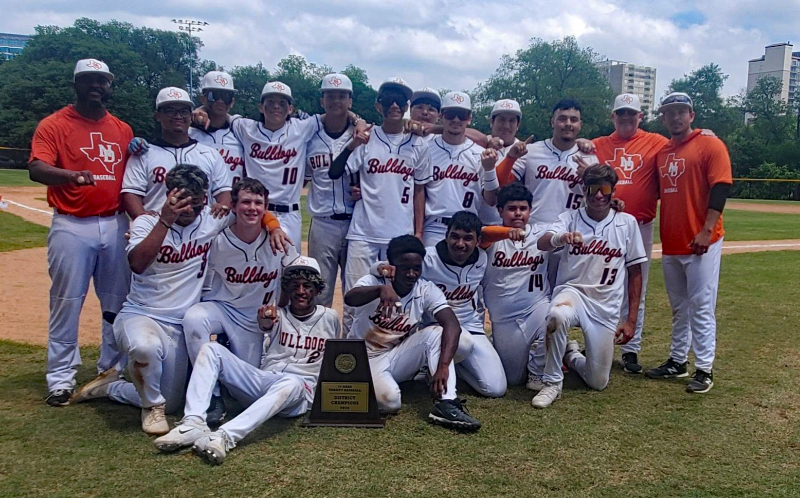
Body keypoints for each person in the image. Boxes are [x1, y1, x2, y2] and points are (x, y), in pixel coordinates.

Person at [71, 165, 231, 434]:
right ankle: (151, 406)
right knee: (145, 350)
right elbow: (137, 263)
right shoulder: (147, 222)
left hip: (180, 324)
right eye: (181, 200)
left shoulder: (212, 219)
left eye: (195, 201)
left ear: (204, 197)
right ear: (169, 195)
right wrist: (165, 222)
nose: (188, 208)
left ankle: (112, 387)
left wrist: (272, 226)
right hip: (140, 315)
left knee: (172, 404)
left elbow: (254, 212)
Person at [152, 255, 339, 465]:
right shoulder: (277, 314)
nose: (301, 291)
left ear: (317, 289)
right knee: (211, 349)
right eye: (294, 285)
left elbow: (335, 359)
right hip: (264, 381)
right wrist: (264, 321)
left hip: (298, 393)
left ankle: (224, 436)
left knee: (292, 382)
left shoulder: (330, 318)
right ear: (286, 289)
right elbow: (265, 324)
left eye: (307, 285)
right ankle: (194, 422)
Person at [28, 59, 133, 406]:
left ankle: (111, 370)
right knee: (66, 302)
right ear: (76, 84)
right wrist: (69, 176)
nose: (95, 86)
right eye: (88, 80)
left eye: (101, 81)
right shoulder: (54, 124)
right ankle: (60, 378)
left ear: (110, 85)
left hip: (116, 223)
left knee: (116, 303)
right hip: (72, 223)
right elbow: (37, 168)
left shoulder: (122, 129)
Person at [532, 164, 645, 408]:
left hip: (605, 305)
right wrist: (559, 238)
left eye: (605, 188)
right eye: (593, 188)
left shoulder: (627, 223)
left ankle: (571, 355)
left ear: (613, 191)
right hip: (573, 293)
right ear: (584, 189)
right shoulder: (570, 218)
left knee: (597, 381)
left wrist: (631, 319)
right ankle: (551, 382)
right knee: (557, 315)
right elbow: (542, 243)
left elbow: (636, 271)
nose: (599, 195)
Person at [345, 235, 481, 430]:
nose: (411, 274)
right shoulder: (373, 280)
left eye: (416, 268)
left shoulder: (425, 289)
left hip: (395, 355)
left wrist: (442, 366)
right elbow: (350, 298)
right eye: (405, 268)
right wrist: (379, 290)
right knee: (390, 402)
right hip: (364, 360)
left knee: (439, 333)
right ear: (391, 266)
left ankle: (446, 402)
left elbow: (452, 324)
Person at [645, 92, 732, 394]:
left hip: (701, 241)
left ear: (692, 115)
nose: (676, 117)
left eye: (682, 111)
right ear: (663, 118)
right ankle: (677, 360)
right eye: (670, 112)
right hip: (672, 242)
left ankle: (705, 368)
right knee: (679, 306)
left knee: (701, 306)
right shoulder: (663, 151)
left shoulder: (710, 144)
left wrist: (707, 230)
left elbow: (721, 188)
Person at [182, 178, 286, 424]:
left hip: (255, 318)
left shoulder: (278, 238)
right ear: (234, 206)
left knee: (247, 396)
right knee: (194, 319)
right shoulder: (217, 240)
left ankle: (217, 366)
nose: (252, 208)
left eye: (258, 203)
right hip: (223, 309)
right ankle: (212, 397)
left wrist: (279, 312)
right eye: (246, 202)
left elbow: (293, 275)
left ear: (266, 206)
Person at [373, 212, 507, 398]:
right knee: (463, 342)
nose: (460, 244)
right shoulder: (428, 258)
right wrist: (378, 269)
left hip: (472, 327)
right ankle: (433, 364)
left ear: (478, 240)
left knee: (495, 388)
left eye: (468, 238)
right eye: (455, 236)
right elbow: (386, 266)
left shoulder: (482, 259)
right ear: (446, 235)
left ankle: (443, 368)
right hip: (432, 329)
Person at [580, 93, 668, 373]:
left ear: (640, 117)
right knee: (598, 285)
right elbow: (576, 153)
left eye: (632, 113)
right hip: (604, 224)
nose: (626, 118)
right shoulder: (598, 144)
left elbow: (680, 147)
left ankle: (631, 349)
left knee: (635, 287)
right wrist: (582, 143)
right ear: (613, 116)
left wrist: (707, 135)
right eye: (621, 113)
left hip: (639, 224)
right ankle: (594, 342)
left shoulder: (656, 142)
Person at [329, 78, 432, 300]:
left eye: (399, 101)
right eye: (388, 100)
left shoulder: (418, 143)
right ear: (378, 105)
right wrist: (353, 143)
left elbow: (419, 190)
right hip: (363, 232)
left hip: (400, 233)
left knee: (398, 299)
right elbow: (335, 172)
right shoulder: (366, 137)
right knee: (355, 296)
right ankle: (353, 337)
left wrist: (419, 232)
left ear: (406, 107)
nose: (394, 105)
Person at [121, 87, 232, 219]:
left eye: (184, 111)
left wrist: (221, 207)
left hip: (200, 231)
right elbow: (131, 193)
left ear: (191, 115)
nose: (178, 116)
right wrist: (142, 221)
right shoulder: (144, 154)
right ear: (158, 115)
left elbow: (224, 193)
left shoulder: (210, 154)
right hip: (158, 229)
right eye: (170, 111)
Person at [481, 183, 551, 390]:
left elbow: (570, 227)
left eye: (523, 208)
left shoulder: (541, 233)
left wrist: (614, 207)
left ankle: (539, 371)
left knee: (556, 318)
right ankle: (550, 353)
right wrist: (505, 232)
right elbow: (480, 234)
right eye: (512, 209)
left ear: (530, 210)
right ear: (500, 210)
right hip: (504, 320)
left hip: (536, 308)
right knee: (513, 380)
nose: (518, 213)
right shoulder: (491, 236)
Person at [304, 73, 358, 316]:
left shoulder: (362, 134)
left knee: (355, 290)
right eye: (330, 95)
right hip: (322, 223)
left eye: (342, 96)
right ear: (322, 100)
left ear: (350, 101)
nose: (336, 100)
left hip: (356, 223)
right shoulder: (308, 135)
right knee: (319, 290)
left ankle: (353, 348)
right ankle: (318, 345)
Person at [421, 92, 499, 247]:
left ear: (469, 118)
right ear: (442, 116)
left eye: (461, 115)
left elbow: (492, 200)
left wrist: (489, 169)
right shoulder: (425, 150)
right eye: (451, 114)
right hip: (434, 227)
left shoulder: (479, 153)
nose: (456, 120)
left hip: (468, 229)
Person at [190, 70, 245, 186]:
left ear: (232, 102)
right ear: (203, 99)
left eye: (226, 96)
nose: (220, 101)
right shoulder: (188, 134)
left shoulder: (241, 135)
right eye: (213, 96)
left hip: (235, 202)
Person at [476, 99, 522, 227]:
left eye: (512, 120)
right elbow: (457, 132)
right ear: (492, 121)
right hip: (476, 223)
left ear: (518, 124)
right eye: (501, 119)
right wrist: (485, 143)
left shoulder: (525, 151)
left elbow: (501, 185)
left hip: (509, 226)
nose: (506, 126)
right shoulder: (477, 146)